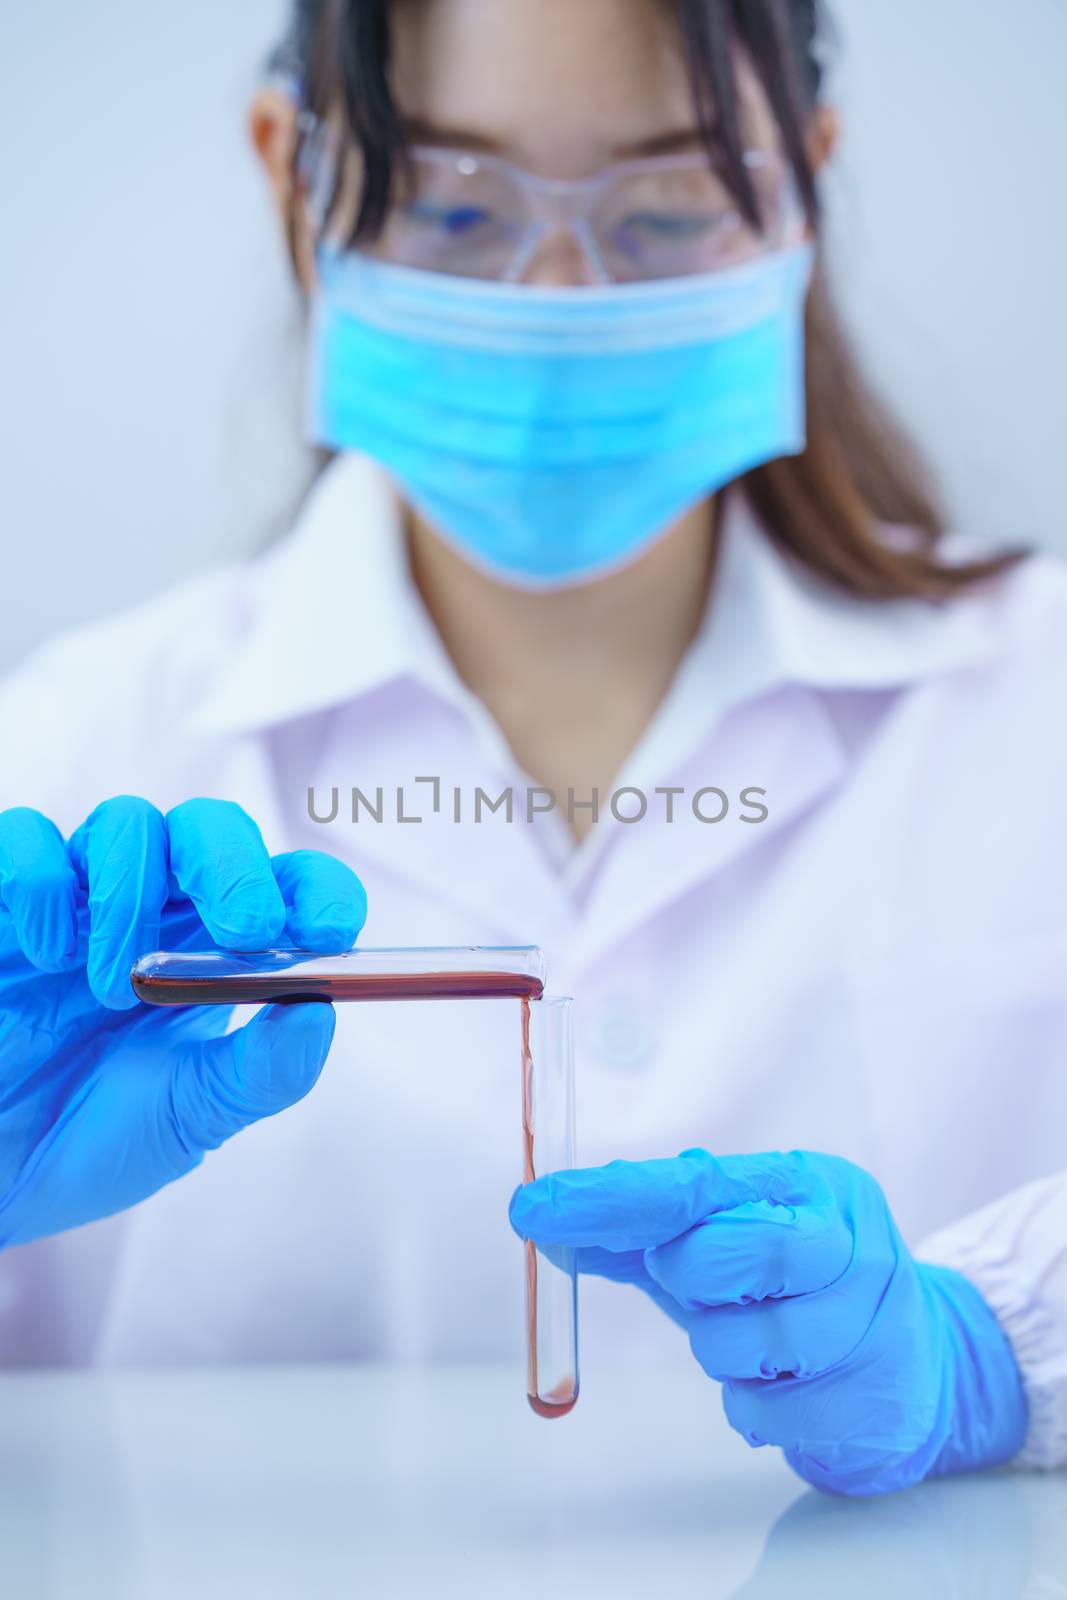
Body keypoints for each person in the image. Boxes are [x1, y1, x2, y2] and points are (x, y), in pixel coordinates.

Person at [0, 0, 1065, 1495]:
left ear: (801, 192)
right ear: (296, 183)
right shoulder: (66, 745)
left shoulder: (1042, 705)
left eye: (668, 206)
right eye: (452, 203)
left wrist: (996, 1350)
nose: (559, 295)